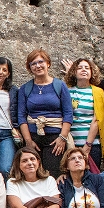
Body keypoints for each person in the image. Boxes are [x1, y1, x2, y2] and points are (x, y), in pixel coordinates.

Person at [16, 49, 73, 178]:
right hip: (33, 137)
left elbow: (68, 113)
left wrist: (62, 138)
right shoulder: (25, 89)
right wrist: (28, 141)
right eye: (33, 63)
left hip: (55, 138)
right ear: (29, 68)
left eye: (40, 62)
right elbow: (21, 116)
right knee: (32, 175)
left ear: (48, 63)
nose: (37, 66)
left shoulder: (60, 86)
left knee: (53, 175)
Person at [63, 58, 104, 169]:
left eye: (87, 68)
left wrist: (87, 145)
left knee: (92, 176)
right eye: (79, 68)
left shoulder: (98, 92)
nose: (84, 70)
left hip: (92, 144)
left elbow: (97, 119)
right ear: (74, 72)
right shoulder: (67, 91)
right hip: (71, 143)